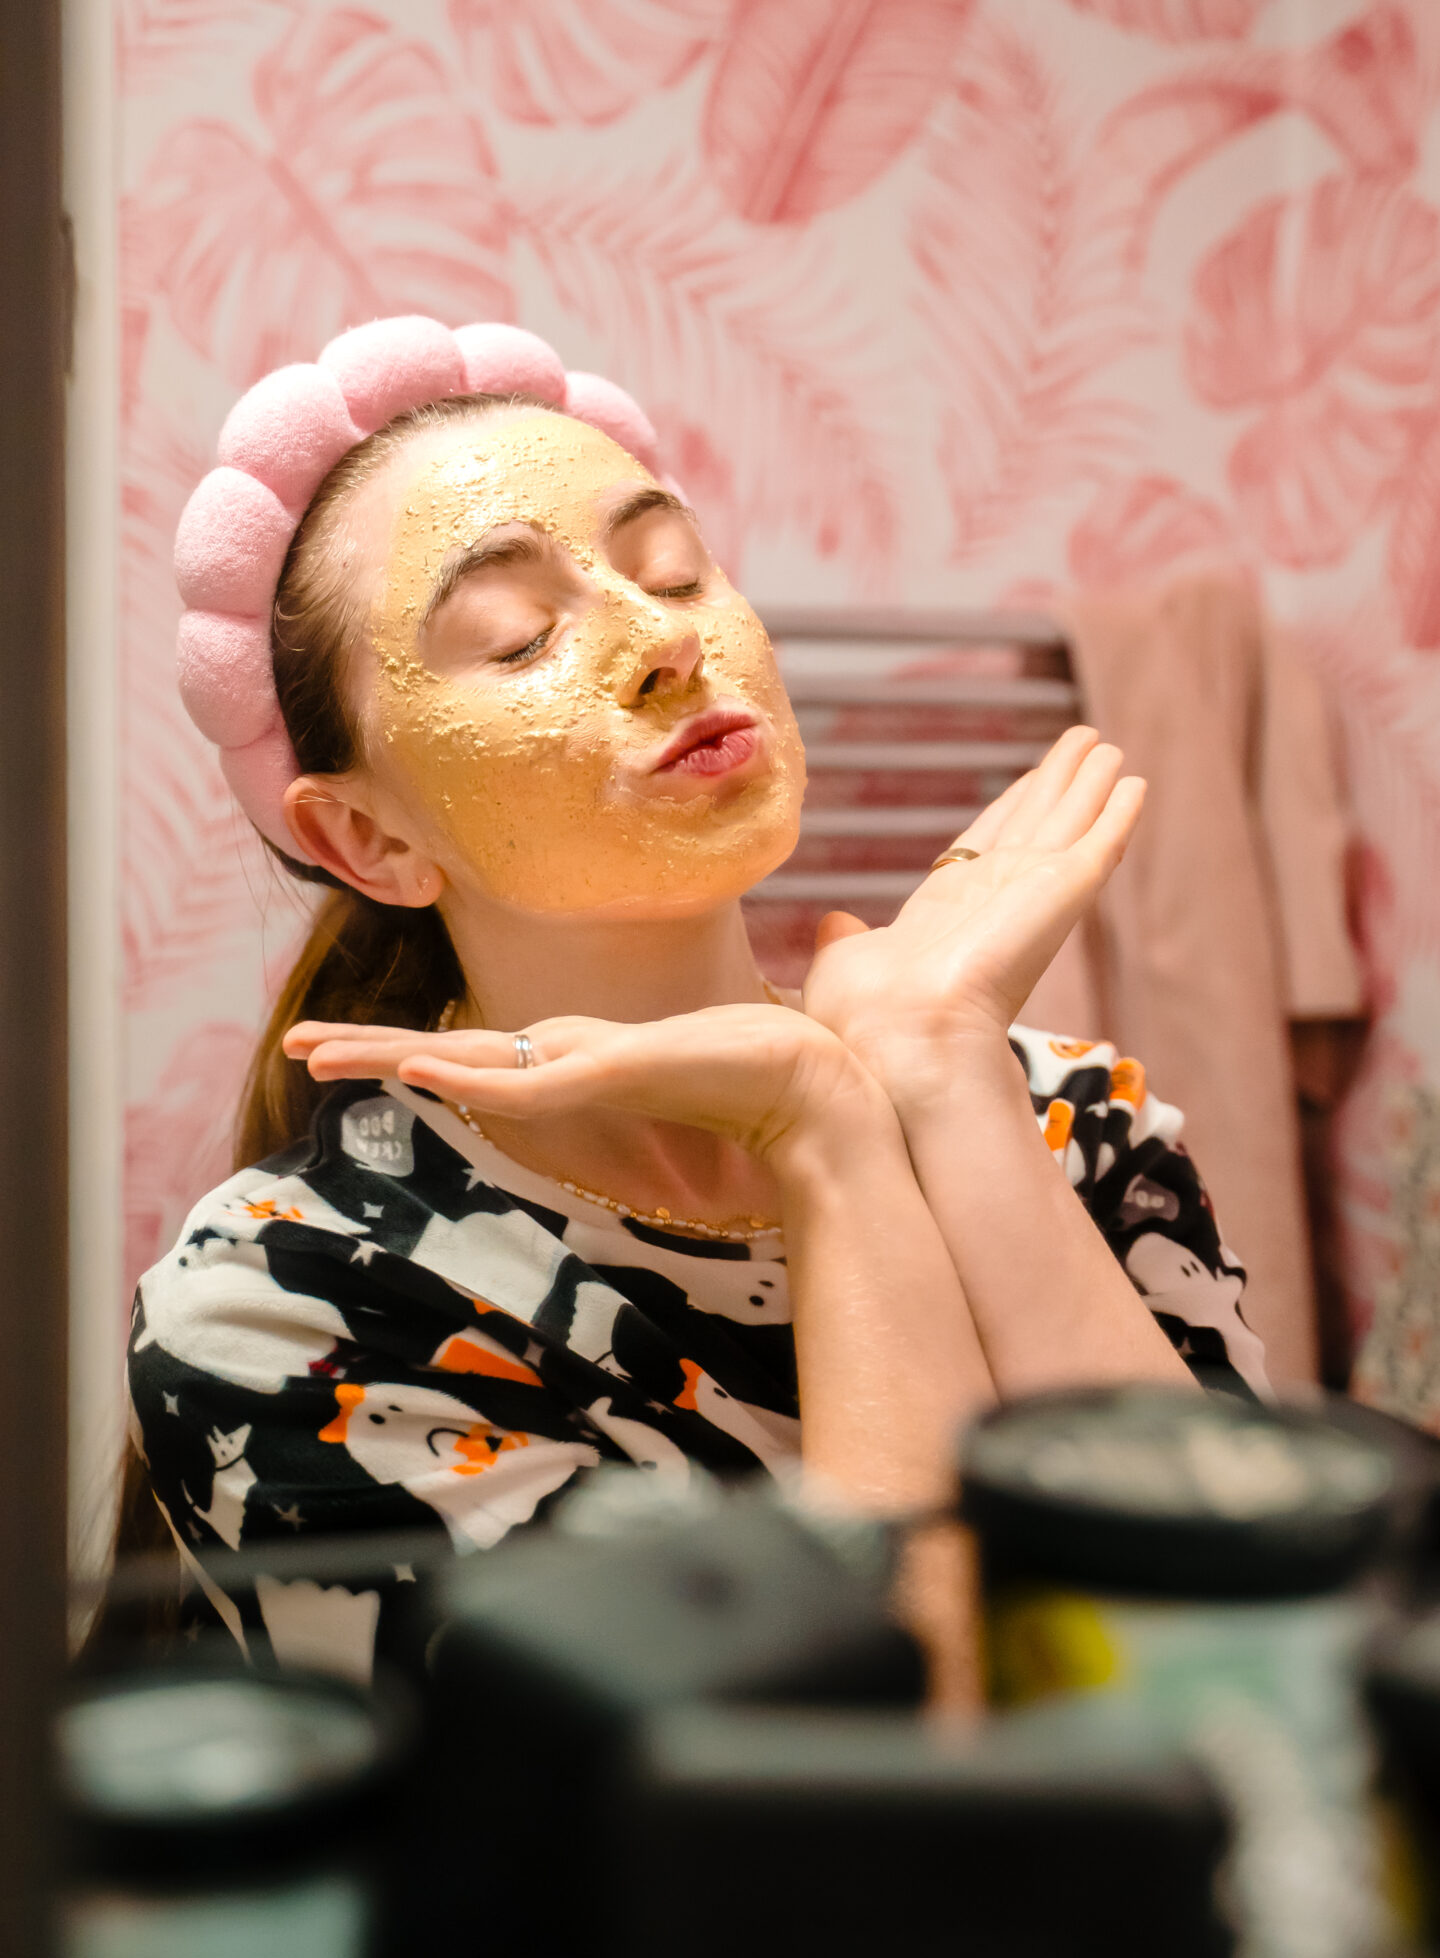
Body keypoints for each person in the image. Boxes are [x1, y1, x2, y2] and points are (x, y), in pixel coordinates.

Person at [126, 316, 1266, 1689]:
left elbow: (1256, 1675)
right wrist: (828, 1134)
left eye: (671, 569)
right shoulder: (296, 1302)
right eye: (518, 634)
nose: (664, 639)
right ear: (372, 843)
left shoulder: (1072, 1125)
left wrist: (937, 1073)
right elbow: (810, 1826)